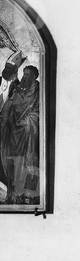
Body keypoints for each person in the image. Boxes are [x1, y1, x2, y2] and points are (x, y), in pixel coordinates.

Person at [0, 63, 39, 205]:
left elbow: (37, 113)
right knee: (11, 165)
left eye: (29, 74)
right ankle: (13, 196)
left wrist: (27, 122)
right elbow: (7, 108)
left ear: (35, 76)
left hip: (27, 137)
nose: (25, 77)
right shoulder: (16, 89)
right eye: (25, 73)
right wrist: (4, 120)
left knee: (24, 165)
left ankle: (27, 196)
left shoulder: (38, 90)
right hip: (12, 135)